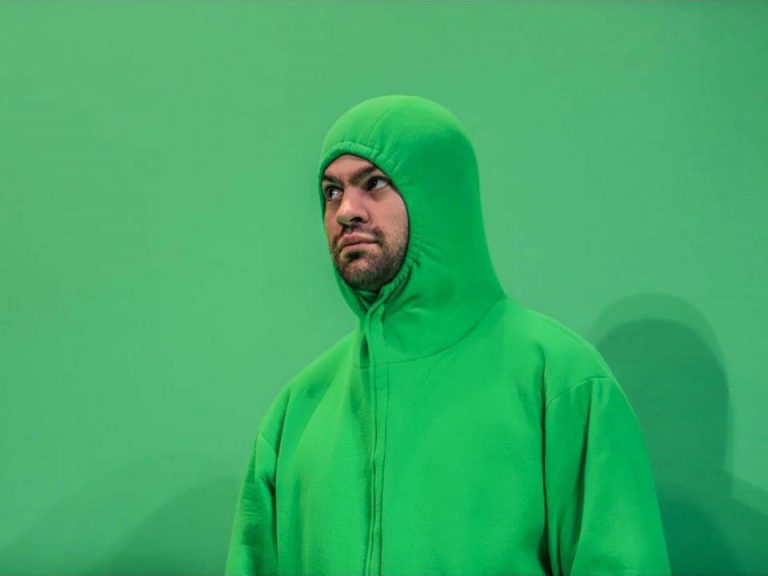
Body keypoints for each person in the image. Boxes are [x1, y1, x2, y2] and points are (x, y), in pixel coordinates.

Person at [224, 95, 670, 576]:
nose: (347, 210)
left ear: (437, 195)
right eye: (332, 191)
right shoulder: (298, 409)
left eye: (374, 183)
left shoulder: (560, 379)